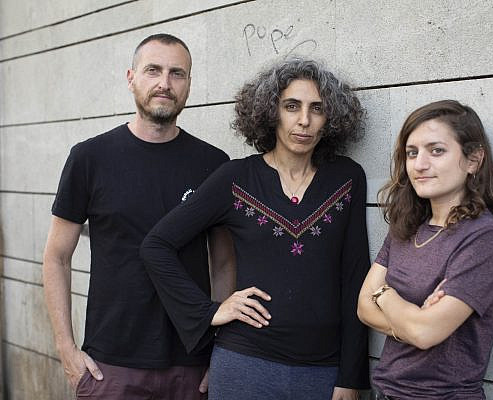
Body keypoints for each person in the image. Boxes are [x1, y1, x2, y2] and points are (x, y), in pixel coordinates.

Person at [140, 58, 370, 400]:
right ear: (271, 112)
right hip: (244, 366)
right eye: (291, 106)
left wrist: (351, 378)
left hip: (323, 371)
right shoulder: (235, 179)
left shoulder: (347, 178)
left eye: (317, 109)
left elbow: (355, 278)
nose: (304, 120)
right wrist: (211, 311)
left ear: (330, 118)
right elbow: (156, 245)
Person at [42, 33, 233, 400]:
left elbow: (223, 262)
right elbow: (56, 256)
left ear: (189, 84)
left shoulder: (213, 165)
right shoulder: (90, 158)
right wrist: (67, 351)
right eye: (153, 70)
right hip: (110, 367)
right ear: (131, 77)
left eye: (177, 73)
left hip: (191, 366)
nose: (165, 83)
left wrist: (219, 351)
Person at [357, 100, 493, 399]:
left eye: (436, 151)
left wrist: (384, 295)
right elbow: (363, 308)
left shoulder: (484, 238)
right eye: (412, 153)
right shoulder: (407, 226)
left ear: (473, 160)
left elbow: (426, 334)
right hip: (387, 393)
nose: (419, 164)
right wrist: (412, 318)